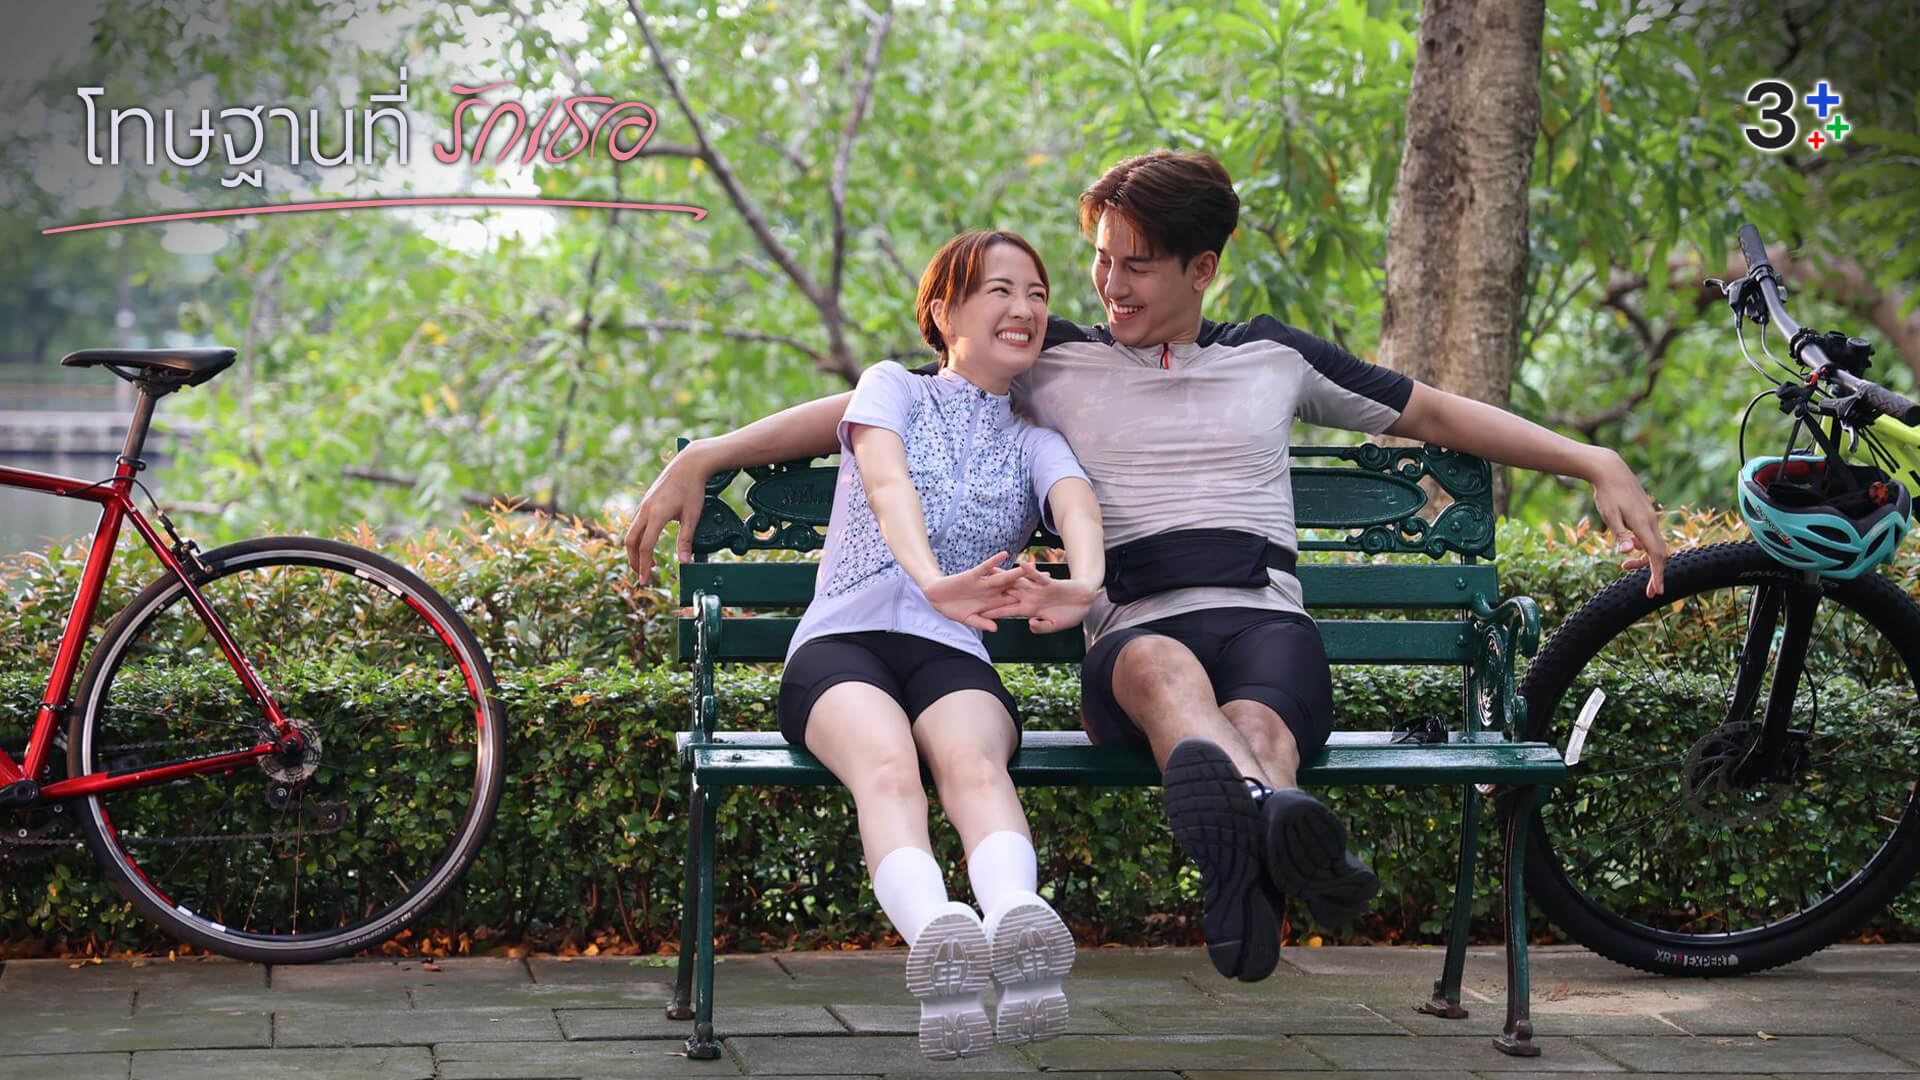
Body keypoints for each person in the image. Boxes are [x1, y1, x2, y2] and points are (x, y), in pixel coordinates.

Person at [627, 151, 1670, 986]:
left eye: (1133, 266)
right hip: (1135, 630)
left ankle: (1247, 855)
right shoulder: (1057, 360)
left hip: (1265, 616)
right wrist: (707, 452)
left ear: (1200, 270)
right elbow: (883, 401)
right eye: (1098, 261)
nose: (1106, 286)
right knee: (1166, 671)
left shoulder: (1274, 358)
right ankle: (1268, 814)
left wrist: (1591, 458)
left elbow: (1434, 412)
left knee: (1263, 723)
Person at [772, 230, 1102, 1060]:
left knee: (975, 765)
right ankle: (938, 943)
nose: (1024, 308)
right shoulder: (891, 388)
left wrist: (1086, 583)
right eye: (1000, 290)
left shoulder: (1034, 437)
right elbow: (887, 484)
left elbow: (1077, 506)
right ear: (944, 312)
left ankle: (1018, 931)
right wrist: (930, 579)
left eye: (1036, 293)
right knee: (888, 767)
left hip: (951, 652)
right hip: (842, 643)